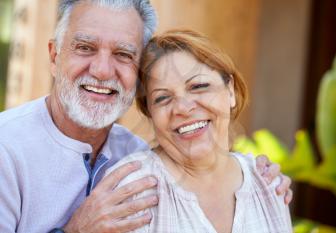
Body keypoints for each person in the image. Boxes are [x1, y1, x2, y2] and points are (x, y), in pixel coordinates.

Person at [0, 1, 292, 233]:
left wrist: (257, 174)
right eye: (85, 48)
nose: (102, 70)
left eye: (123, 54)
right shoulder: (6, 148)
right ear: (54, 56)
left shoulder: (133, 151)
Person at [106, 29, 293, 233]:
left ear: (230, 90)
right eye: (162, 98)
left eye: (198, 86)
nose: (183, 108)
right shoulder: (133, 189)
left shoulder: (267, 183)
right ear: (150, 113)